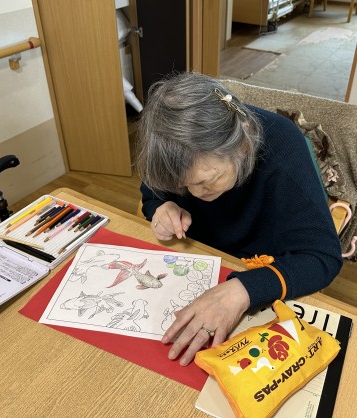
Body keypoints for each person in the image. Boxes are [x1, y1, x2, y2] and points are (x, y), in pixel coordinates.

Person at [135, 71, 342, 366]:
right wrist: (161, 206)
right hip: (198, 260)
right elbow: (151, 191)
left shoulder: (284, 149)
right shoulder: (172, 151)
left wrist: (243, 291)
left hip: (260, 269)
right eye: (182, 185)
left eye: (207, 181)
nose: (194, 193)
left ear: (243, 144)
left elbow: (322, 257)